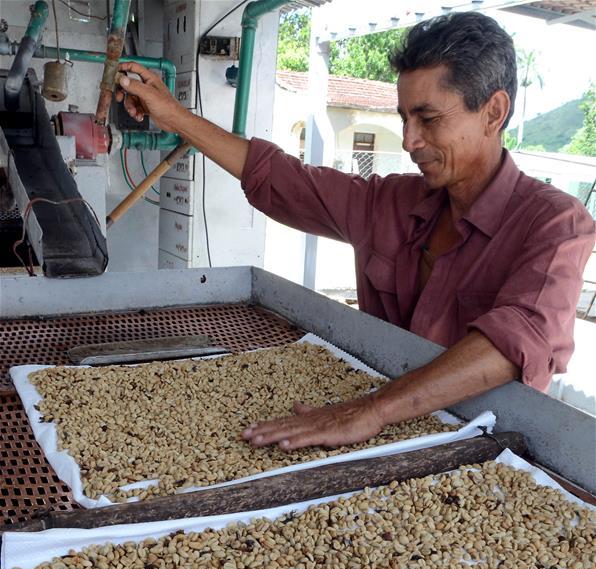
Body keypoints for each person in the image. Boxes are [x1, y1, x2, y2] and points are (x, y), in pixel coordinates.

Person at [116, 12, 595, 452]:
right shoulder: (395, 201)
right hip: (370, 427)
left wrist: (370, 410)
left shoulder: (556, 224)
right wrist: (171, 115)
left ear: (493, 112)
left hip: (477, 450)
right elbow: (285, 180)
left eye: (427, 118)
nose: (409, 140)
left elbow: (516, 342)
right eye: (404, 119)